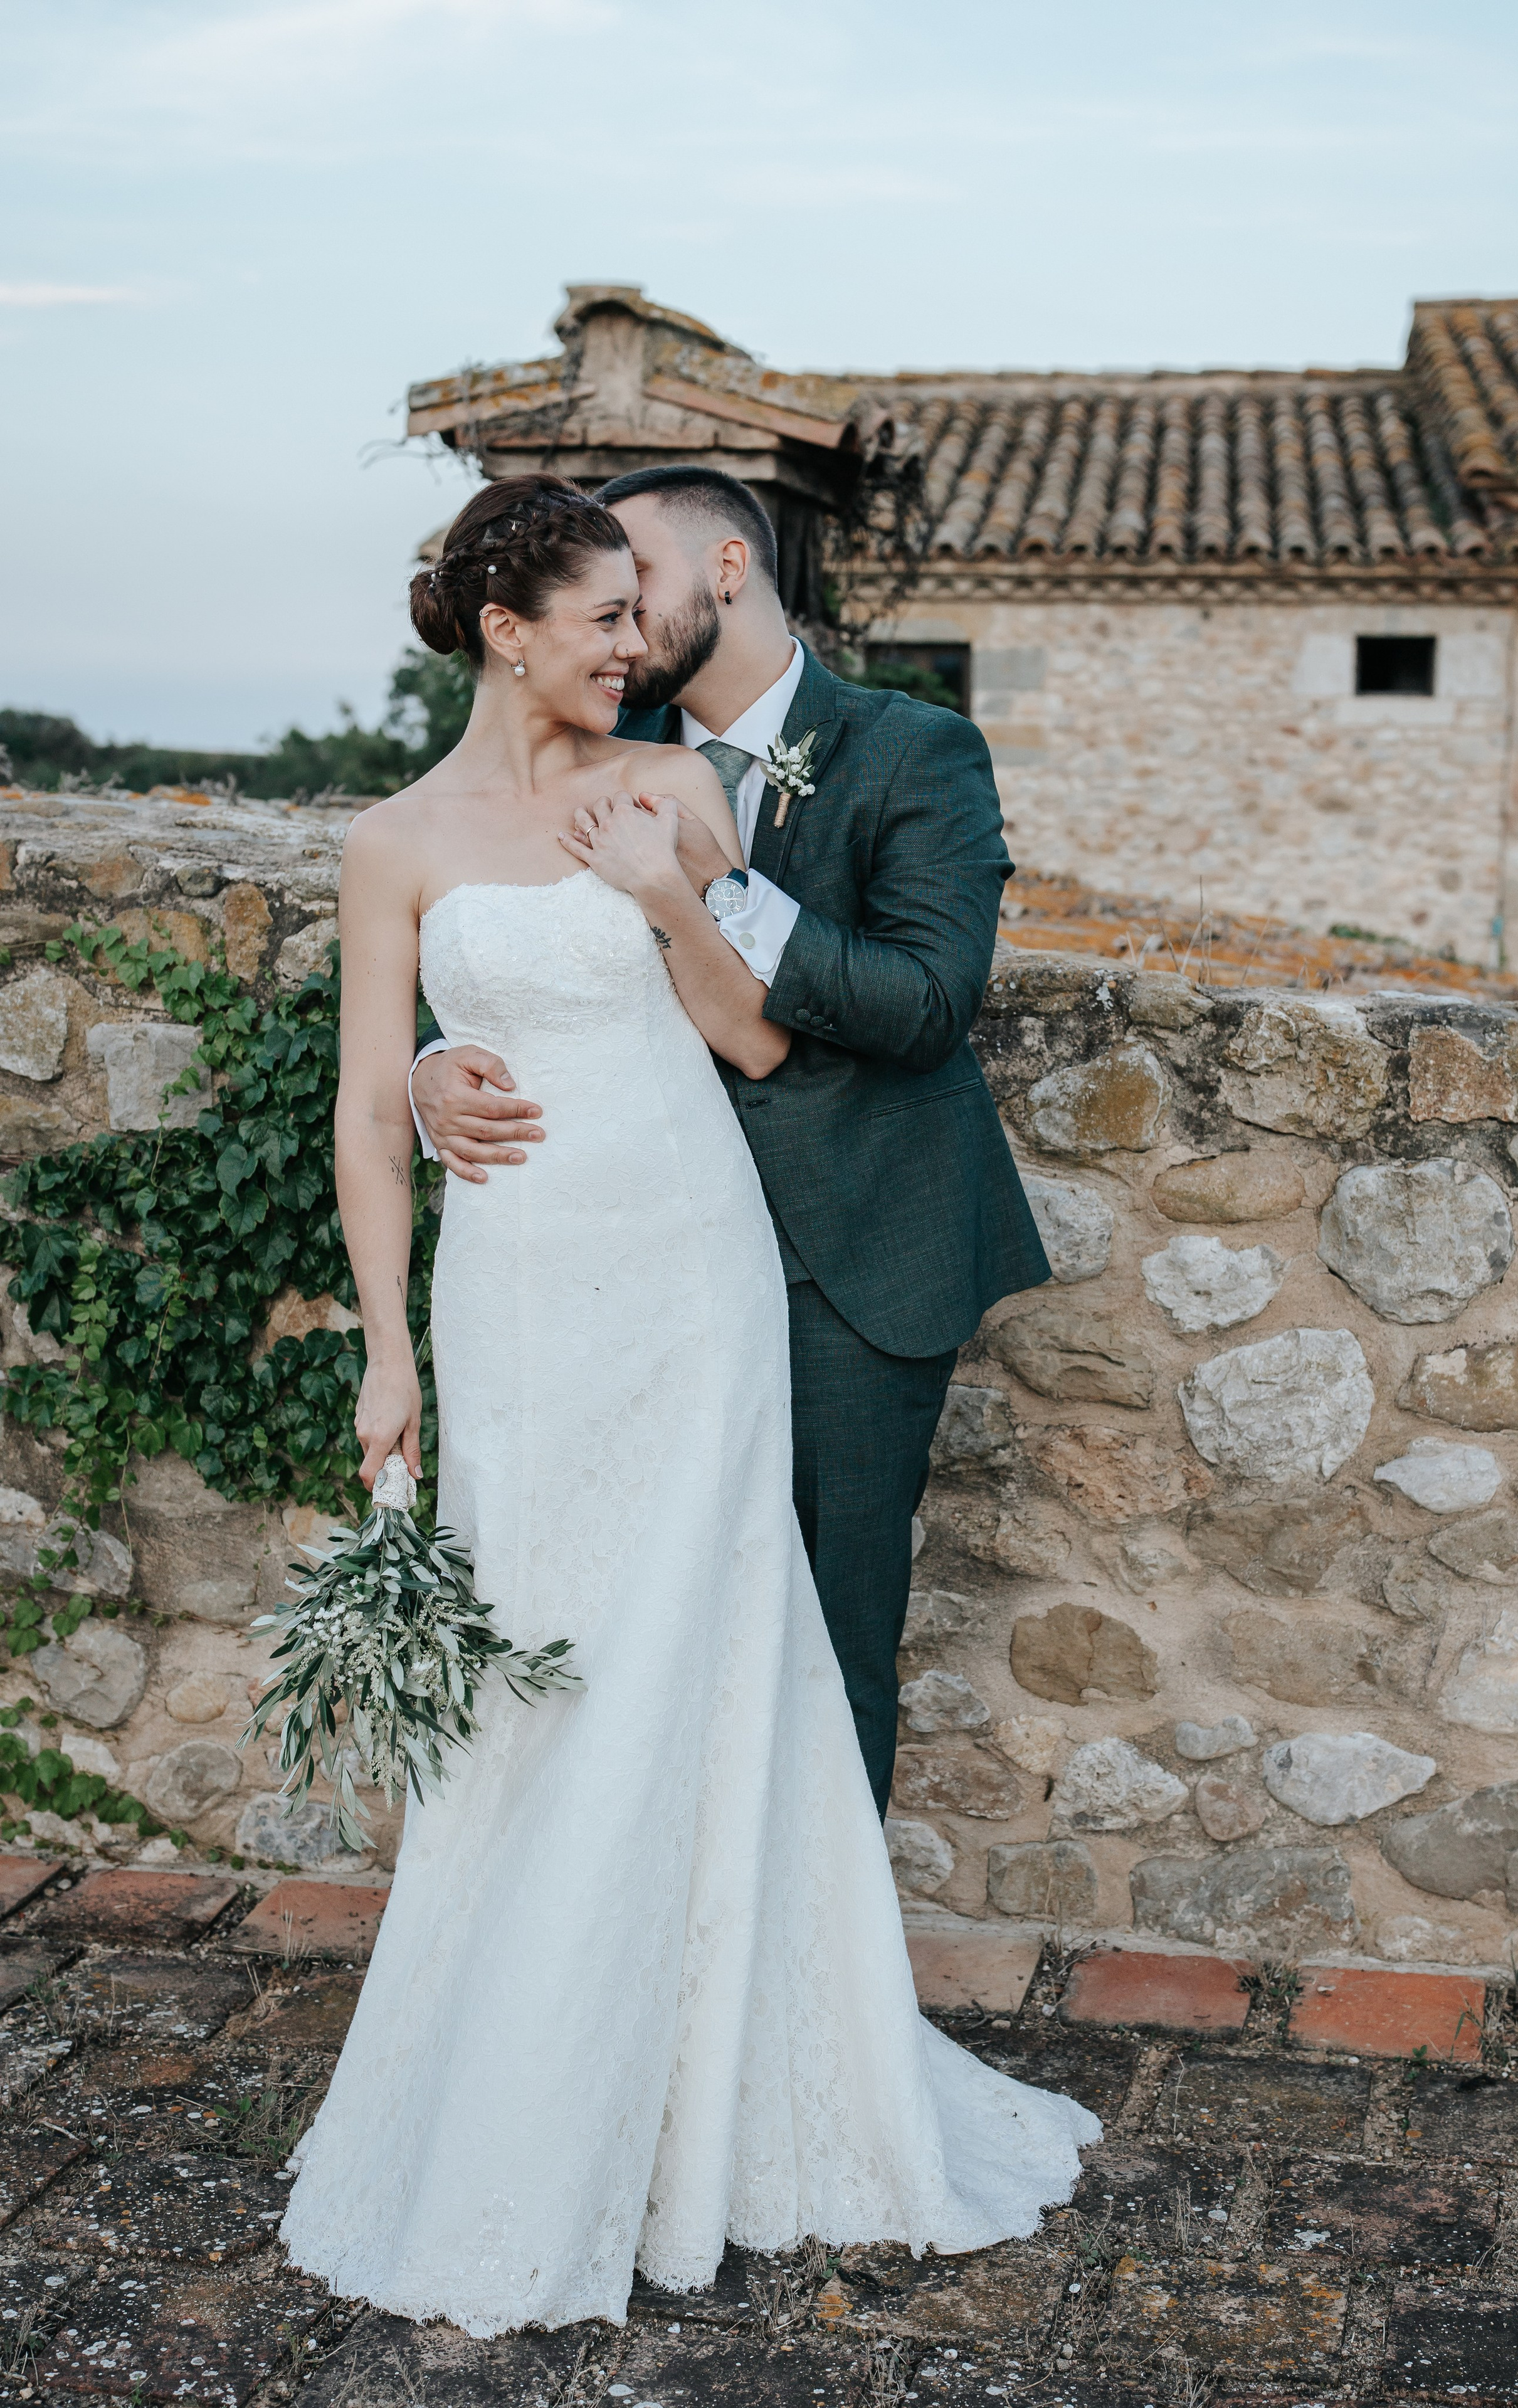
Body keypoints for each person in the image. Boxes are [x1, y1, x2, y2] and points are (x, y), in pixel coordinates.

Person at [279, 474, 1097, 2336]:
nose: (631, 640)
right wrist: (407, 1175)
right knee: (544, 1656)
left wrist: (679, 892)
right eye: (600, 611)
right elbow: (369, 1078)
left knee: (741, 1656)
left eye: (640, 609)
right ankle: (540, 2065)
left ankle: (731, 2080)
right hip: (527, 1286)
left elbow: (789, 1026)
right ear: (512, 625)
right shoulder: (407, 832)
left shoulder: (712, 783)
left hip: (725, 1266)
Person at [410, 461, 1052, 1817]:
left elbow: (930, 1005)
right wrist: (432, 1067)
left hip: (847, 1259)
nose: (617, 622)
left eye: (630, 582)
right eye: (592, 601)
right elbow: (489, 913)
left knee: (817, 1642)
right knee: (632, 1630)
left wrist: (723, 891)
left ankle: (811, 2005)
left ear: (721, 570)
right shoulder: (593, 737)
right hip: (635, 1268)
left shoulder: (912, 749)